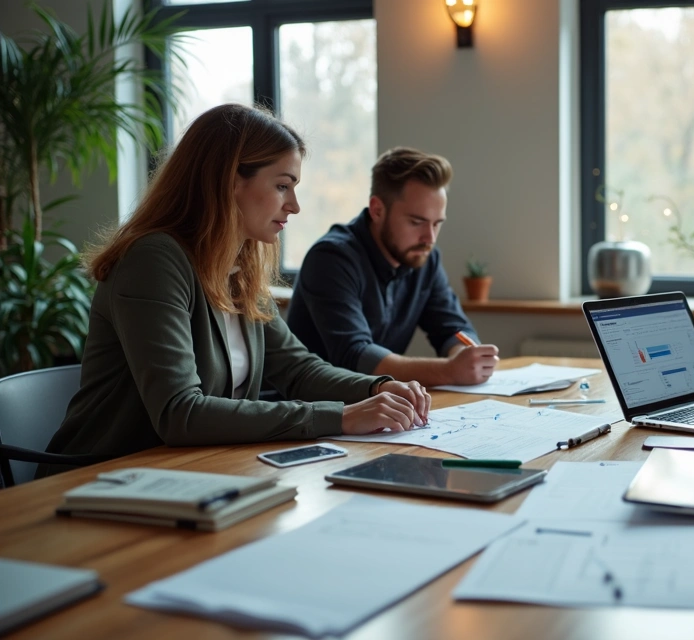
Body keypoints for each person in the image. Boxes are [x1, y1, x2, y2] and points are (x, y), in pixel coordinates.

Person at [40, 104, 431, 476]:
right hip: (102, 478)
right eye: (282, 186)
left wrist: (378, 388)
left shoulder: (240, 267)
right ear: (230, 181)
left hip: (195, 470)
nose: (293, 205)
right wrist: (341, 417)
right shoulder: (154, 261)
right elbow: (181, 413)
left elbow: (297, 369)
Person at [287, 147, 499, 387]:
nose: (429, 238)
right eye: (416, 222)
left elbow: (453, 328)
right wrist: (450, 371)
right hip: (314, 410)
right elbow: (355, 356)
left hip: (376, 406)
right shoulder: (330, 258)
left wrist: (464, 355)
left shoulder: (424, 258)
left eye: (437, 224)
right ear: (377, 210)